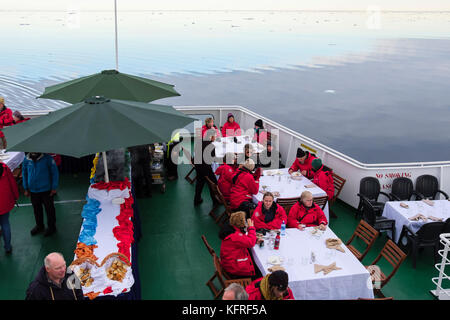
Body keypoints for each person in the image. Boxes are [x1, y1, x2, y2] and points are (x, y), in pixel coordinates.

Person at [22, 152, 59, 236]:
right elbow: (24, 173)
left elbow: (54, 173)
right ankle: (40, 226)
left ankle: (52, 227)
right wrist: (26, 188)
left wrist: (54, 187)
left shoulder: (48, 158)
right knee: (36, 209)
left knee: (49, 209)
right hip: (33, 190)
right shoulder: (26, 159)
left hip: (46, 190)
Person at [219, 211, 257, 279]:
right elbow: (251, 243)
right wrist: (251, 228)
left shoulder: (231, 230)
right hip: (235, 270)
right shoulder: (235, 236)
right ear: (241, 223)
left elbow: (244, 240)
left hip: (229, 264)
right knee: (258, 272)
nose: (246, 222)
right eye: (245, 221)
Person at [193, 132, 218, 206]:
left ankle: (197, 199)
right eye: (214, 137)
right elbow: (213, 158)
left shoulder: (199, 142)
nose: (215, 138)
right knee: (213, 183)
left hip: (197, 165)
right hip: (205, 168)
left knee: (199, 183)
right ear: (211, 137)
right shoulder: (211, 146)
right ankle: (215, 201)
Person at [0, 163, 18, 254]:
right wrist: (15, 196)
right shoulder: (4, 168)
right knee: (5, 223)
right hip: (4, 202)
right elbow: (12, 183)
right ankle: (7, 246)